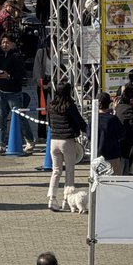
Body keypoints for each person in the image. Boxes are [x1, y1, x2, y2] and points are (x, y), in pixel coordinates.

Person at [46, 81, 87, 212]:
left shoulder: (50, 106)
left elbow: (49, 123)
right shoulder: (69, 106)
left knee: (56, 171)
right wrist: (88, 130)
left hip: (53, 141)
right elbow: (79, 122)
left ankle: (51, 199)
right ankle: (66, 199)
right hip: (67, 140)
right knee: (69, 170)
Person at [96, 93, 124, 175]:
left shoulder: (93, 119)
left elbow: (89, 135)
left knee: (98, 179)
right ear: (109, 103)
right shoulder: (113, 119)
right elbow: (121, 134)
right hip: (113, 154)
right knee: (115, 179)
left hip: (97, 154)